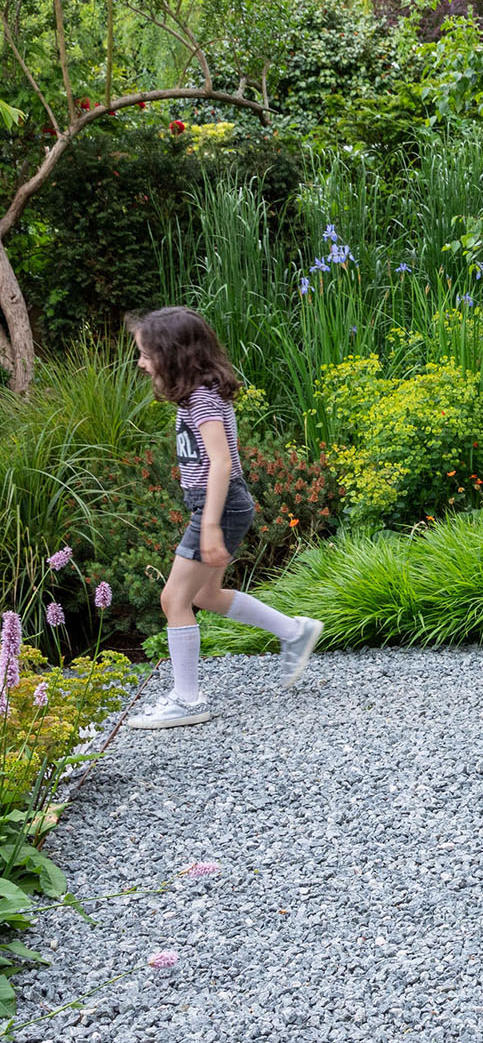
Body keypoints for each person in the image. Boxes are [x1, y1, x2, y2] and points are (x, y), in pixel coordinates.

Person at [125, 307, 323, 728]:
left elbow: (220, 463)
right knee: (205, 596)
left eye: (145, 354)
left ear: (171, 354)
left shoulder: (202, 400)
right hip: (220, 505)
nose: (141, 363)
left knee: (173, 599)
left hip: (220, 506)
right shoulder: (196, 396)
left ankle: (188, 700)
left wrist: (210, 524)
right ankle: (294, 632)